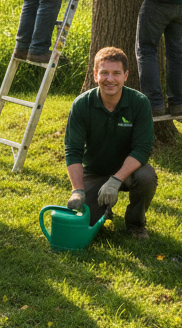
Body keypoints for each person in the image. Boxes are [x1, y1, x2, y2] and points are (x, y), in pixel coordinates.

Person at [61, 47, 157, 239]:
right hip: (94, 172)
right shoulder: (81, 104)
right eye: (104, 73)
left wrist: (115, 180)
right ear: (95, 74)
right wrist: (78, 190)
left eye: (116, 73)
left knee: (147, 176)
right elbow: (73, 150)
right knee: (87, 222)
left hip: (128, 172)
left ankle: (136, 224)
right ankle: (104, 209)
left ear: (125, 76)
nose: (110, 79)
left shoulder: (140, 103)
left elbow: (143, 148)